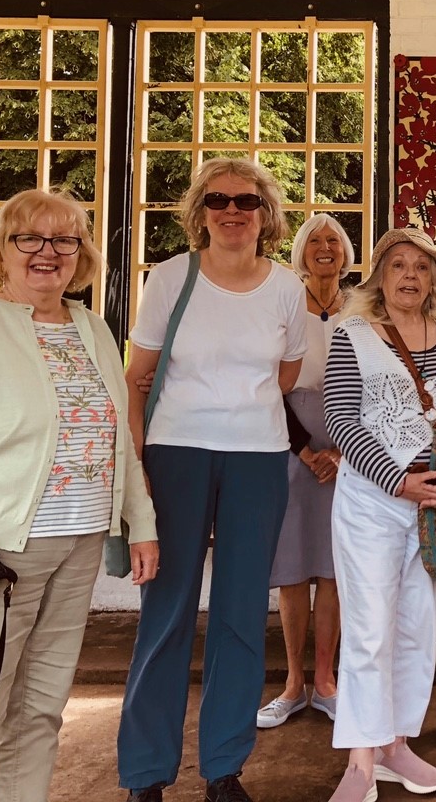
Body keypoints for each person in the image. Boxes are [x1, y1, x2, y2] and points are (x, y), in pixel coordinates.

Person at [0, 188, 158, 802]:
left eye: (65, 239)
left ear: (81, 253)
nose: (48, 251)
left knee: (41, 709)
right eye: (30, 238)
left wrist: (141, 522)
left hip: (78, 545)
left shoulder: (92, 328)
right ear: (2, 249)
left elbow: (118, 438)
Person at [117, 158, 308, 802]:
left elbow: (285, 375)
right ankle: (147, 773)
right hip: (176, 453)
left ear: (265, 213)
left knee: (241, 612)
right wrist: (138, 469)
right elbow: (136, 377)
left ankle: (224, 767)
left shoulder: (286, 288)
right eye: (218, 200)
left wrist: (236, 402)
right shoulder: (171, 277)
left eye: (246, 201)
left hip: (258, 456)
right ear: (200, 211)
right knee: (166, 609)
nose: (232, 211)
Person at [322, 226, 436, 802]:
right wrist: (398, 481)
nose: (410, 276)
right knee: (369, 630)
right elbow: (341, 419)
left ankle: (395, 745)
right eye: (398, 265)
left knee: (418, 627)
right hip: (375, 501)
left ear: (435, 278)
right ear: (379, 276)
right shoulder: (352, 333)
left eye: (421, 266)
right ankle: (360, 762)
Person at [255, 214, 356, 729]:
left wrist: (343, 451)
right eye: (314, 239)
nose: (324, 247)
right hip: (289, 444)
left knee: (334, 568)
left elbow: (373, 384)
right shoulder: (284, 302)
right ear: (300, 250)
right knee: (293, 568)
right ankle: (293, 684)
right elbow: (266, 379)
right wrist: (305, 450)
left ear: (346, 251)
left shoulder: (362, 306)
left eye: (333, 239)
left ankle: (326, 681)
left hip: (351, 449)